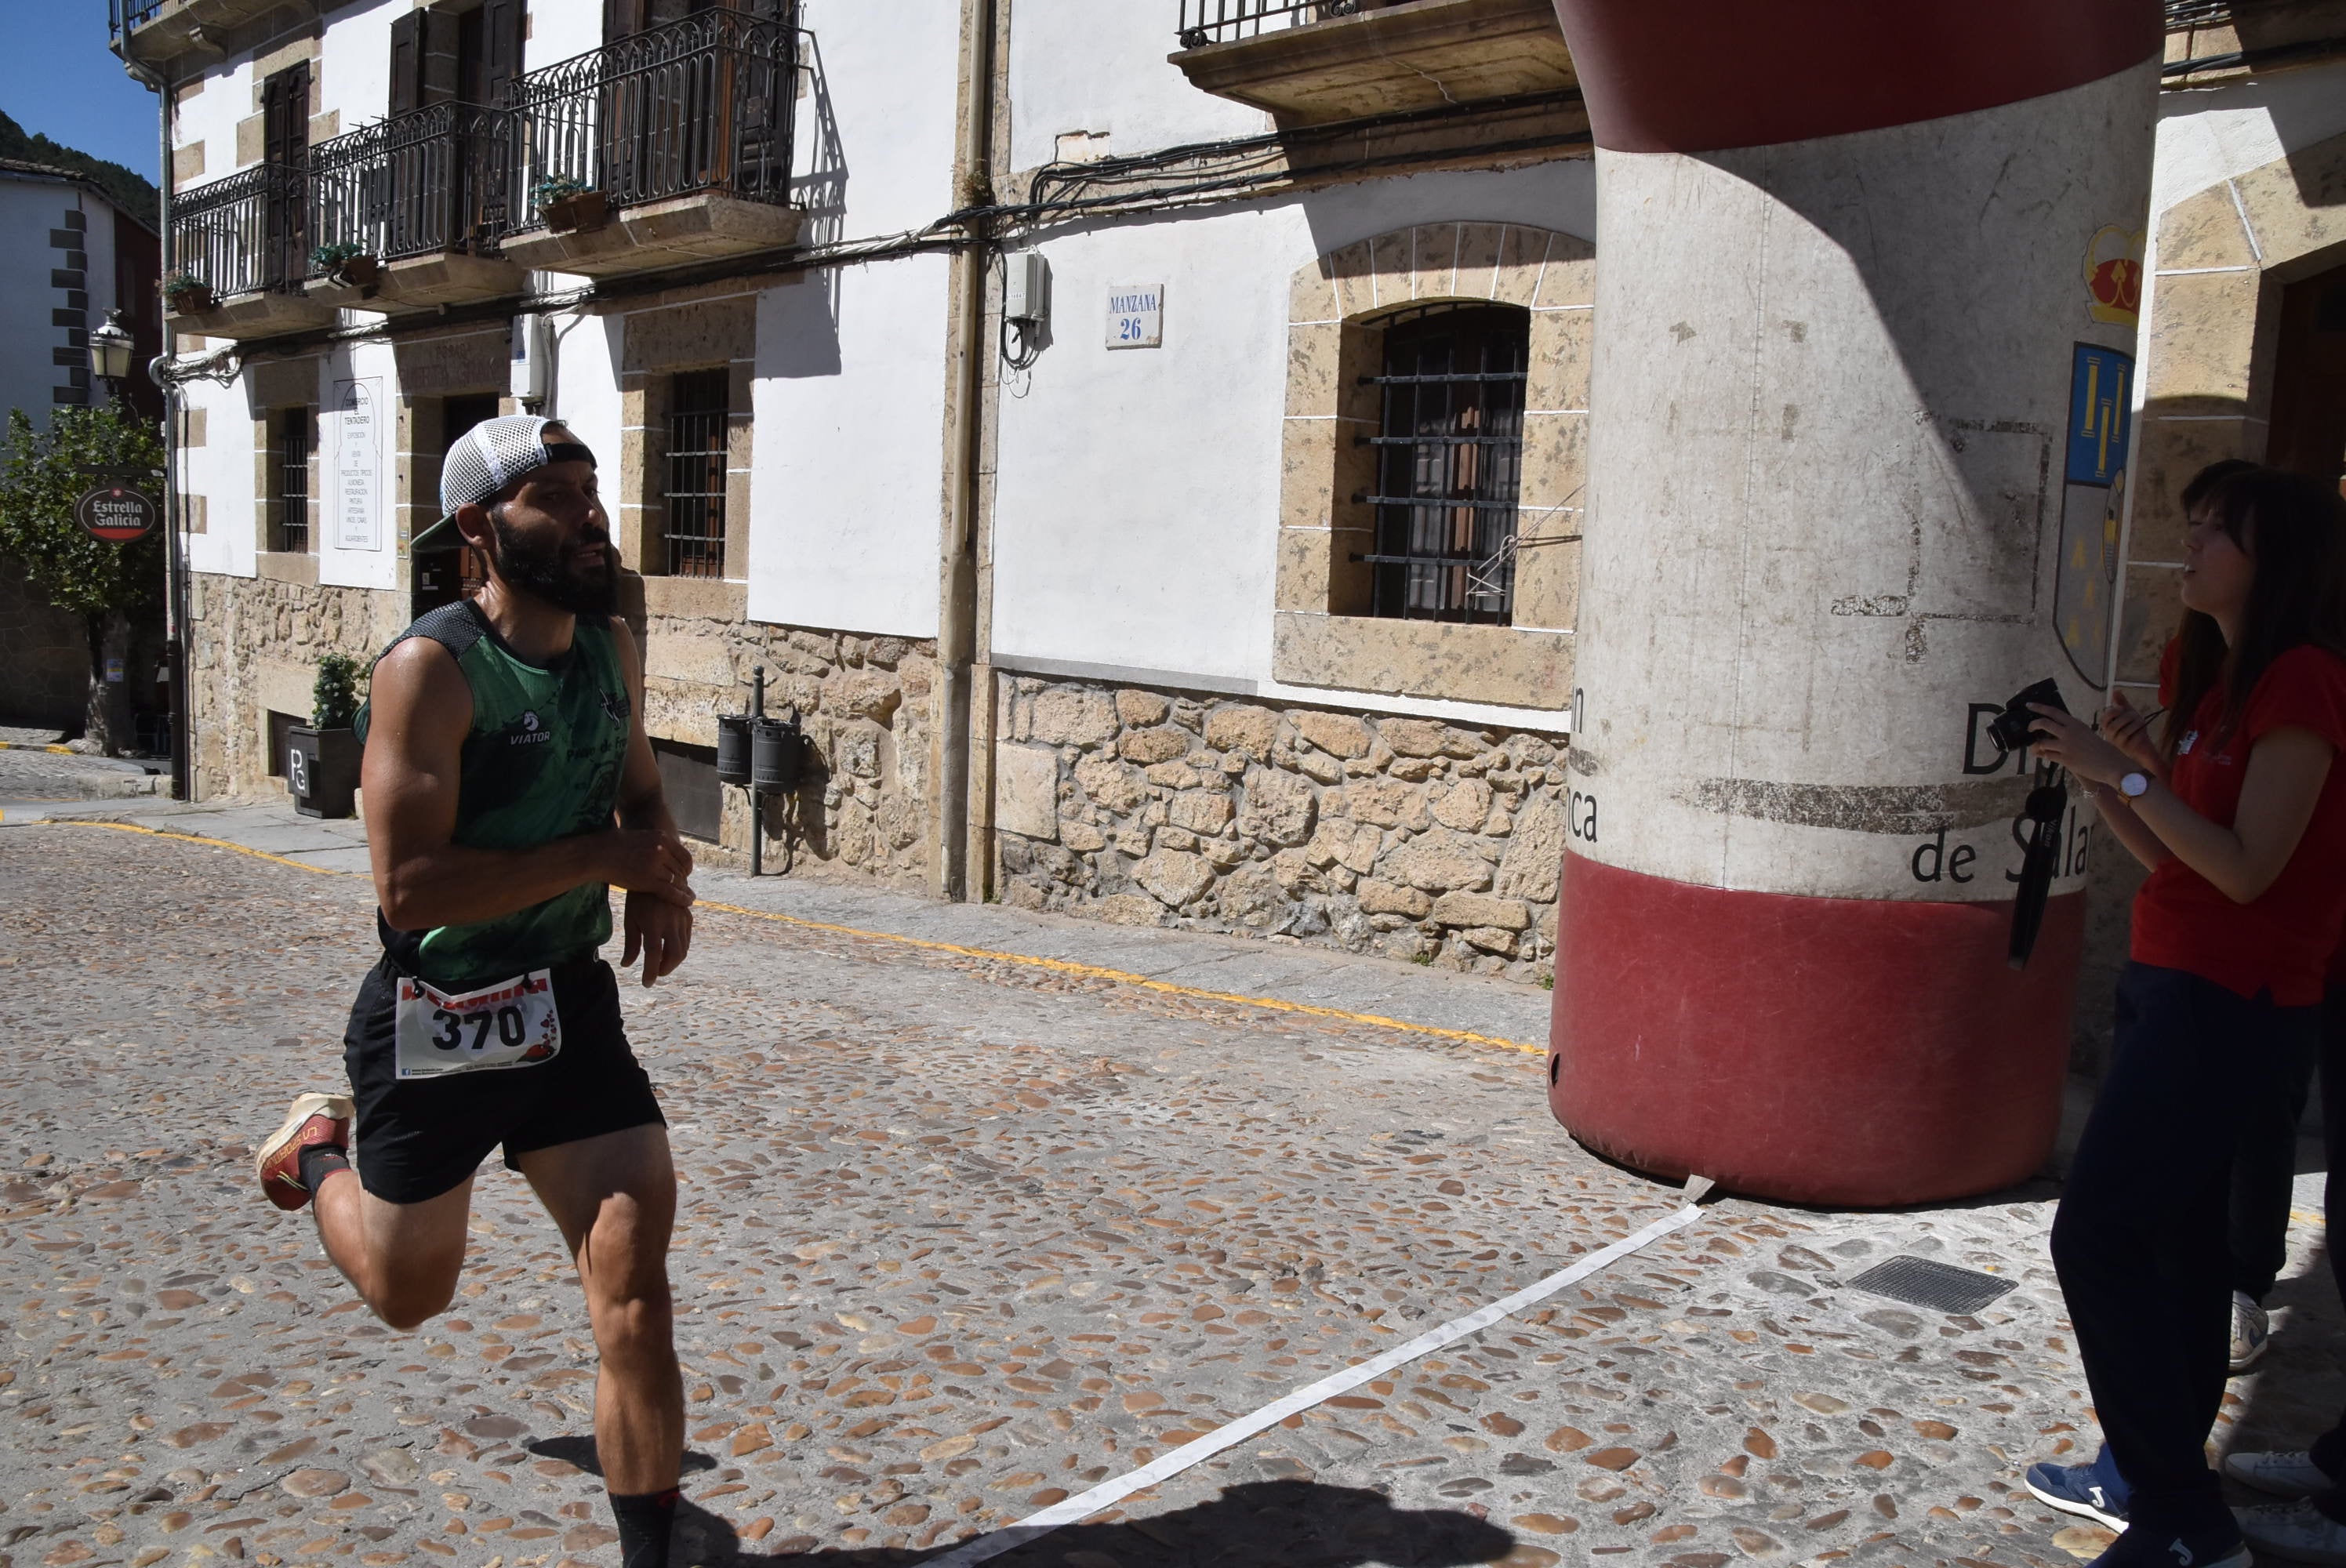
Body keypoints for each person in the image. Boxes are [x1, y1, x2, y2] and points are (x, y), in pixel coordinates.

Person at [249, 416, 700, 1568]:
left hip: (564, 1008)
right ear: (478, 530)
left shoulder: (611, 649)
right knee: (410, 1295)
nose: (589, 516)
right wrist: (607, 862)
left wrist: (658, 879)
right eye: (554, 495)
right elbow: (409, 888)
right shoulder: (429, 672)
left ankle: (648, 1550)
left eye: (591, 490)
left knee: (633, 1286)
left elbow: (641, 789)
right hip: (438, 1015)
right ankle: (314, 1152)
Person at [2021, 466, 2346, 1568]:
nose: (2190, 545)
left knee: (2096, 1234)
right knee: (2179, 1248)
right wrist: (2105, 778)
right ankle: (2152, 1481)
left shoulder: (2301, 684)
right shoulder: (2213, 683)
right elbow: (2176, 863)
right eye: (2194, 524)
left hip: (2233, 1003)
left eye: (2216, 531)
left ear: (2275, 555)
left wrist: (2136, 774)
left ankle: (2179, 1514)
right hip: (2174, 981)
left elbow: (2252, 873)